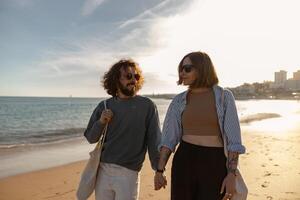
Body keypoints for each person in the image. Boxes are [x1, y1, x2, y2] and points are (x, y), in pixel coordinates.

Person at [154, 51, 246, 200]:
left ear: (202, 69)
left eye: (187, 68)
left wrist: (231, 174)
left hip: (214, 162)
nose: (182, 73)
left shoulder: (224, 97)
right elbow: (169, 139)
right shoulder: (178, 101)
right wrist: (159, 170)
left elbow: (233, 141)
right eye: (181, 69)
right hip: (184, 160)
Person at [84, 59, 161, 200]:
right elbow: (90, 137)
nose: (133, 80)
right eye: (128, 76)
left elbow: (154, 140)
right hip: (103, 171)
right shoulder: (105, 105)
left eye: (136, 76)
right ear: (116, 79)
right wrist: (101, 122)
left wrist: (159, 170)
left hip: (129, 173)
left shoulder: (147, 106)